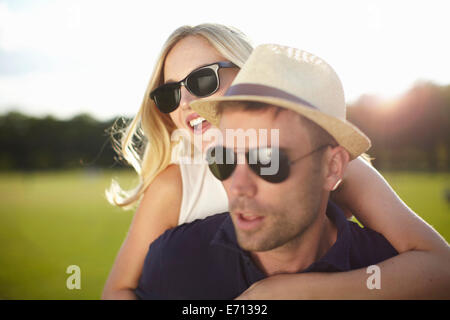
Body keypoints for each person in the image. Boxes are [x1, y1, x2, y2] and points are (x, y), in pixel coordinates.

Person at [102, 24, 449, 299]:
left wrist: (298, 292)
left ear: (250, 74)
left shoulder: (331, 165)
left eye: (201, 80)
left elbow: (439, 266)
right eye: (170, 93)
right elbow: (117, 290)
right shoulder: (177, 185)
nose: (187, 102)